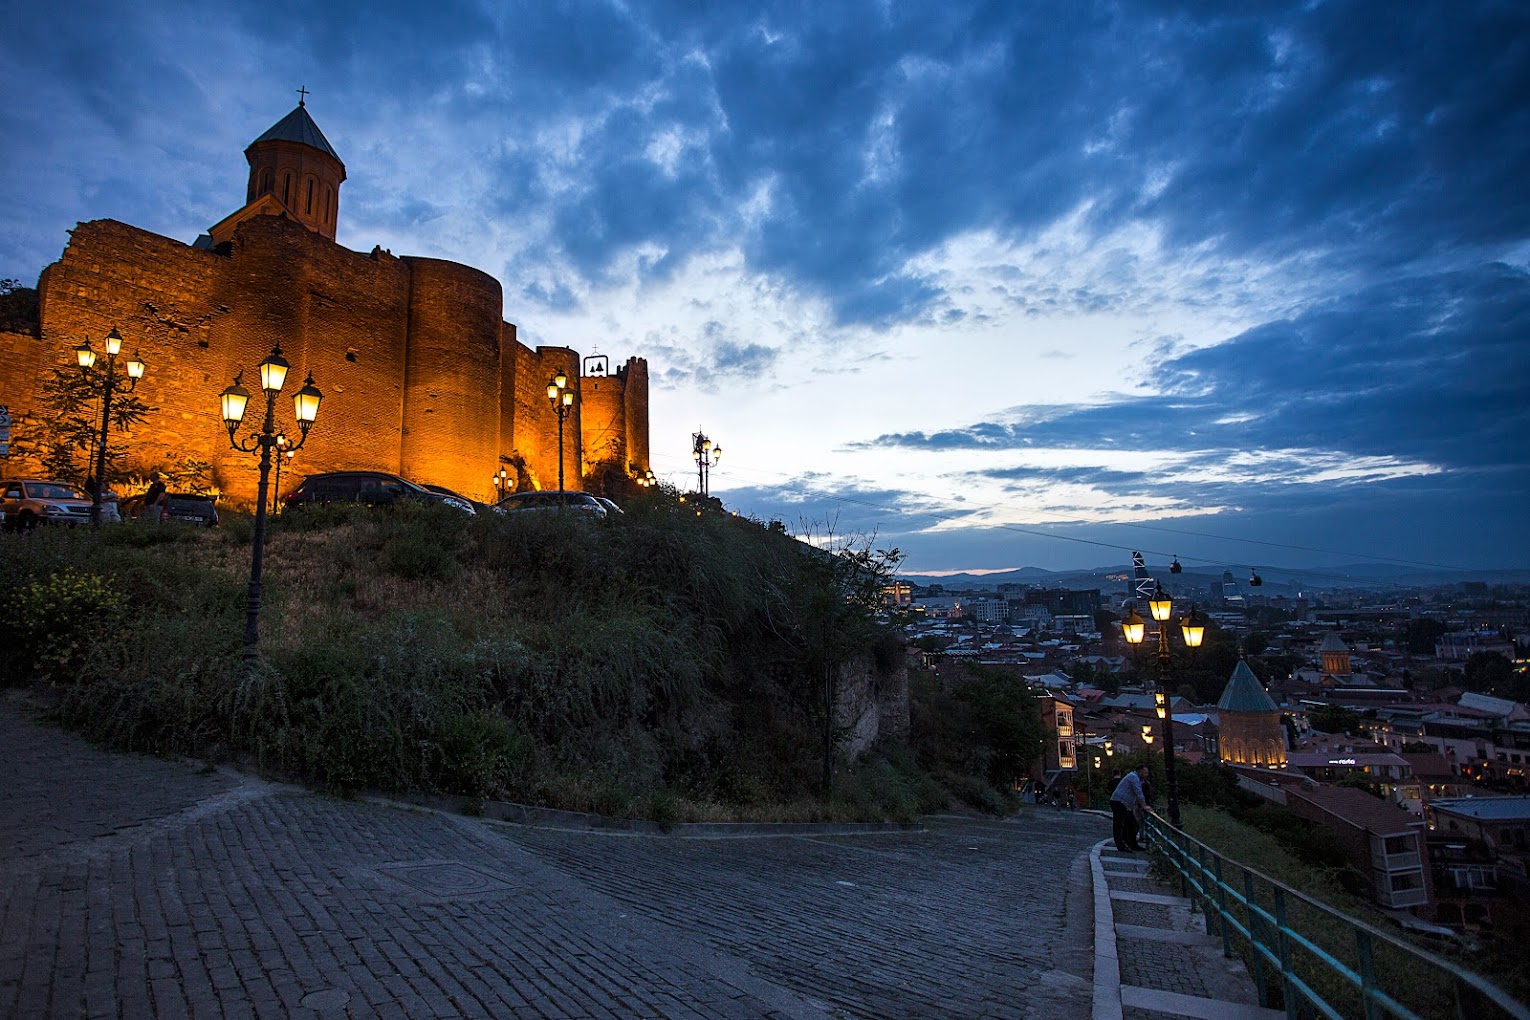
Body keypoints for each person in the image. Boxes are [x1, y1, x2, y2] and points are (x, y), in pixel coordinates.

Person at [1109, 764, 1150, 852]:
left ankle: (1131, 844)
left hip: (1124, 804)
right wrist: (1144, 805)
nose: (1147, 775)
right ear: (1140, 771)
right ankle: (1122, 845)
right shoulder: (1133, 777)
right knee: (1120, 825)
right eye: (1145, 772)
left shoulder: (1136, 778)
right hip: (1119, 802)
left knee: (1132, 824)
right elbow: (1138, 792)